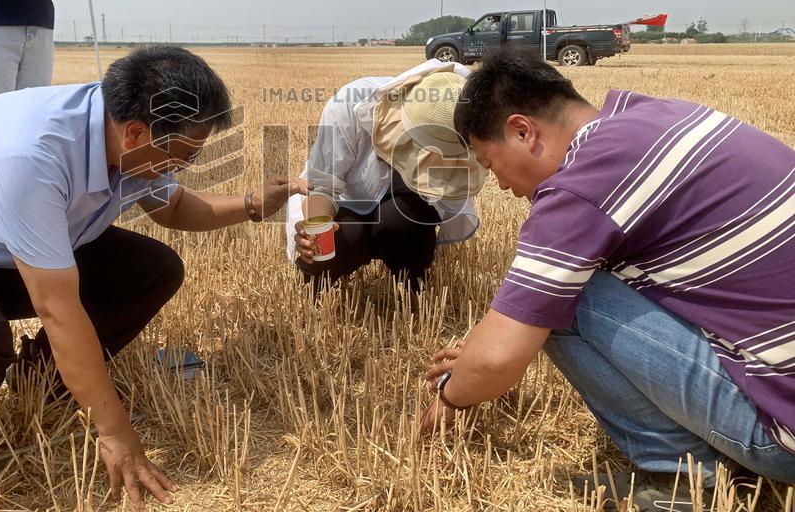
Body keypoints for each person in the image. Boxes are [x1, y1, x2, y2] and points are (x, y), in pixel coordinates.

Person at [0, 45, 304, 506]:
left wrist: (255, 206)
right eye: (183, 158)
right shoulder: (31, 154)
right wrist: (115, 431)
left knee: (155, 270)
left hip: (28, 250)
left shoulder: (128, 134)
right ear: (136, 132)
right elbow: (57, 307)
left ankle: (39, 379)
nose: (182, 168)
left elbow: (173, 207)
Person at [420, 49, 795, 508]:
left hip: (784, 435)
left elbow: (499, 358)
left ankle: (683, 479)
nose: (498, 183)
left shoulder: (579, 185)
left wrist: (453, 395)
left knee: (565, 296)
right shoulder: (657, 116)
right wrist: (491, 349)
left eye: (488, 162)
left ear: (523, 131)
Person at [287, 59, 485, 291]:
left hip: (403, 205)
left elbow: (436, 201)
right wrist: (316, 228)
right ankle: (318, 284)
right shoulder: (348, 105)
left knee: (403, 224)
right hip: (346, 202)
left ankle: (411, 285)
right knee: (343, 239)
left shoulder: (450, 120)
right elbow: (322, 186)